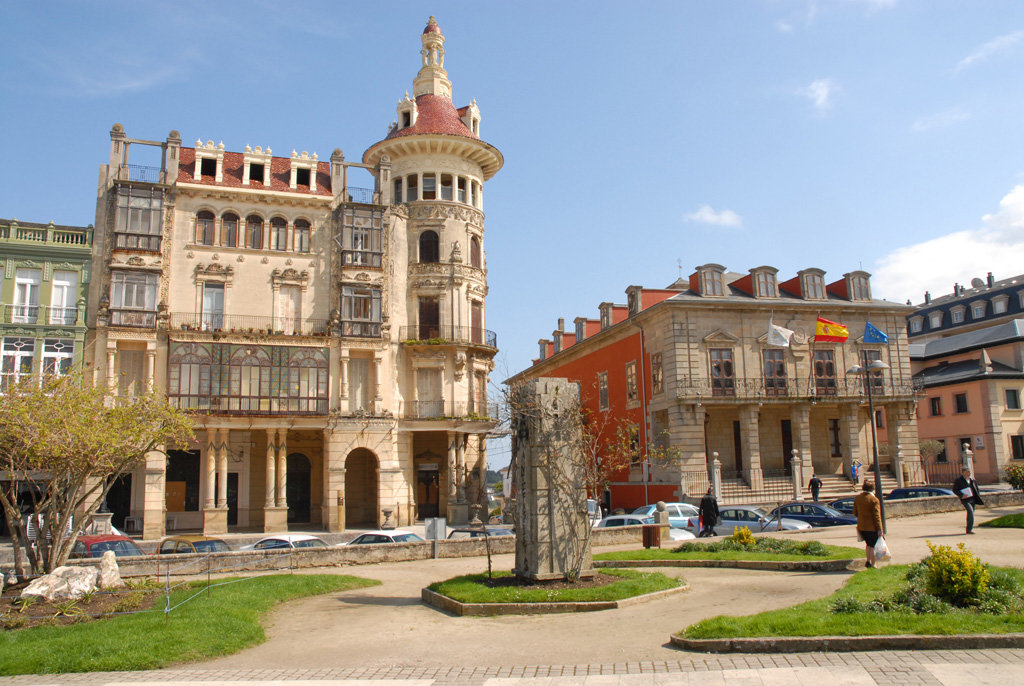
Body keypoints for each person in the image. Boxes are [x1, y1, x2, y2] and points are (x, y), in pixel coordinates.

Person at [852, 479, 883, 568]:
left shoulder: (858, 498)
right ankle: (873, 564)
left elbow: (855, 512)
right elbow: (877, 516)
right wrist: (880, 529)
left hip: (862, 526)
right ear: (872, 489)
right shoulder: (874, 500)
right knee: (873, 545)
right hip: (872, 527)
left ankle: (868, 561)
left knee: (868, 545)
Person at [952, 468, 984, 534]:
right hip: (965, 499)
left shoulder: (972, 480)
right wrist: (961, 495)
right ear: (963, 472)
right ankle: (969, 529)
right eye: (967, 472)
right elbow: (955, 490)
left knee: (971, 514)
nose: (969, 473)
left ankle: (968, 529)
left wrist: (977, 496)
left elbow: (976, 489)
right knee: (970, 511)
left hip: (972, 499)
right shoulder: (959, 480)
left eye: (969, 472)